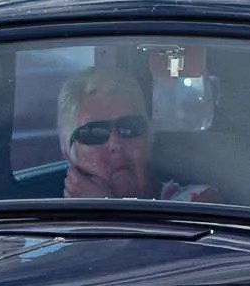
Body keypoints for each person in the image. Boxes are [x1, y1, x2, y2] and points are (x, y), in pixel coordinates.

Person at [58, 67, 220, 203]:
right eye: (95, 133)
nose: (115, 144)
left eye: (130, 127)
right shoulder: (49, 219)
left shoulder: (197, 203)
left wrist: (103, 206)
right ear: (68, 152)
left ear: (149, 137)